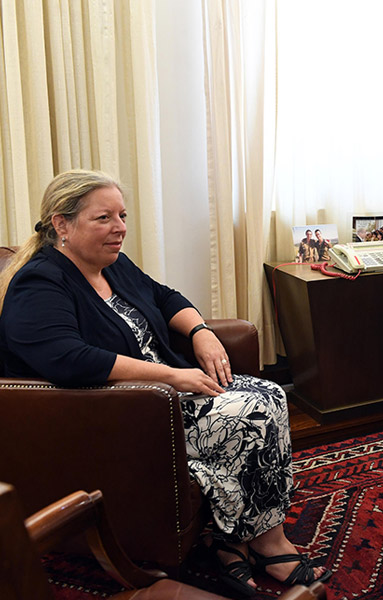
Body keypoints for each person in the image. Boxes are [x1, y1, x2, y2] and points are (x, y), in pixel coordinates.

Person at [0, 170, 330, 597]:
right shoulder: (40, 281)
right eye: (104, 218)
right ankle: (269, 543)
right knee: (248, 413)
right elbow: (68, 359)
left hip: (163, 392)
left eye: (121, 215)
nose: (119, 228)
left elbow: (164, 296)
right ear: (62, 224)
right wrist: (172, 376)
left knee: (270, 394)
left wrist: (201, 333)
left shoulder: (110, 263)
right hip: (120, 408)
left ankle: (232, 540)